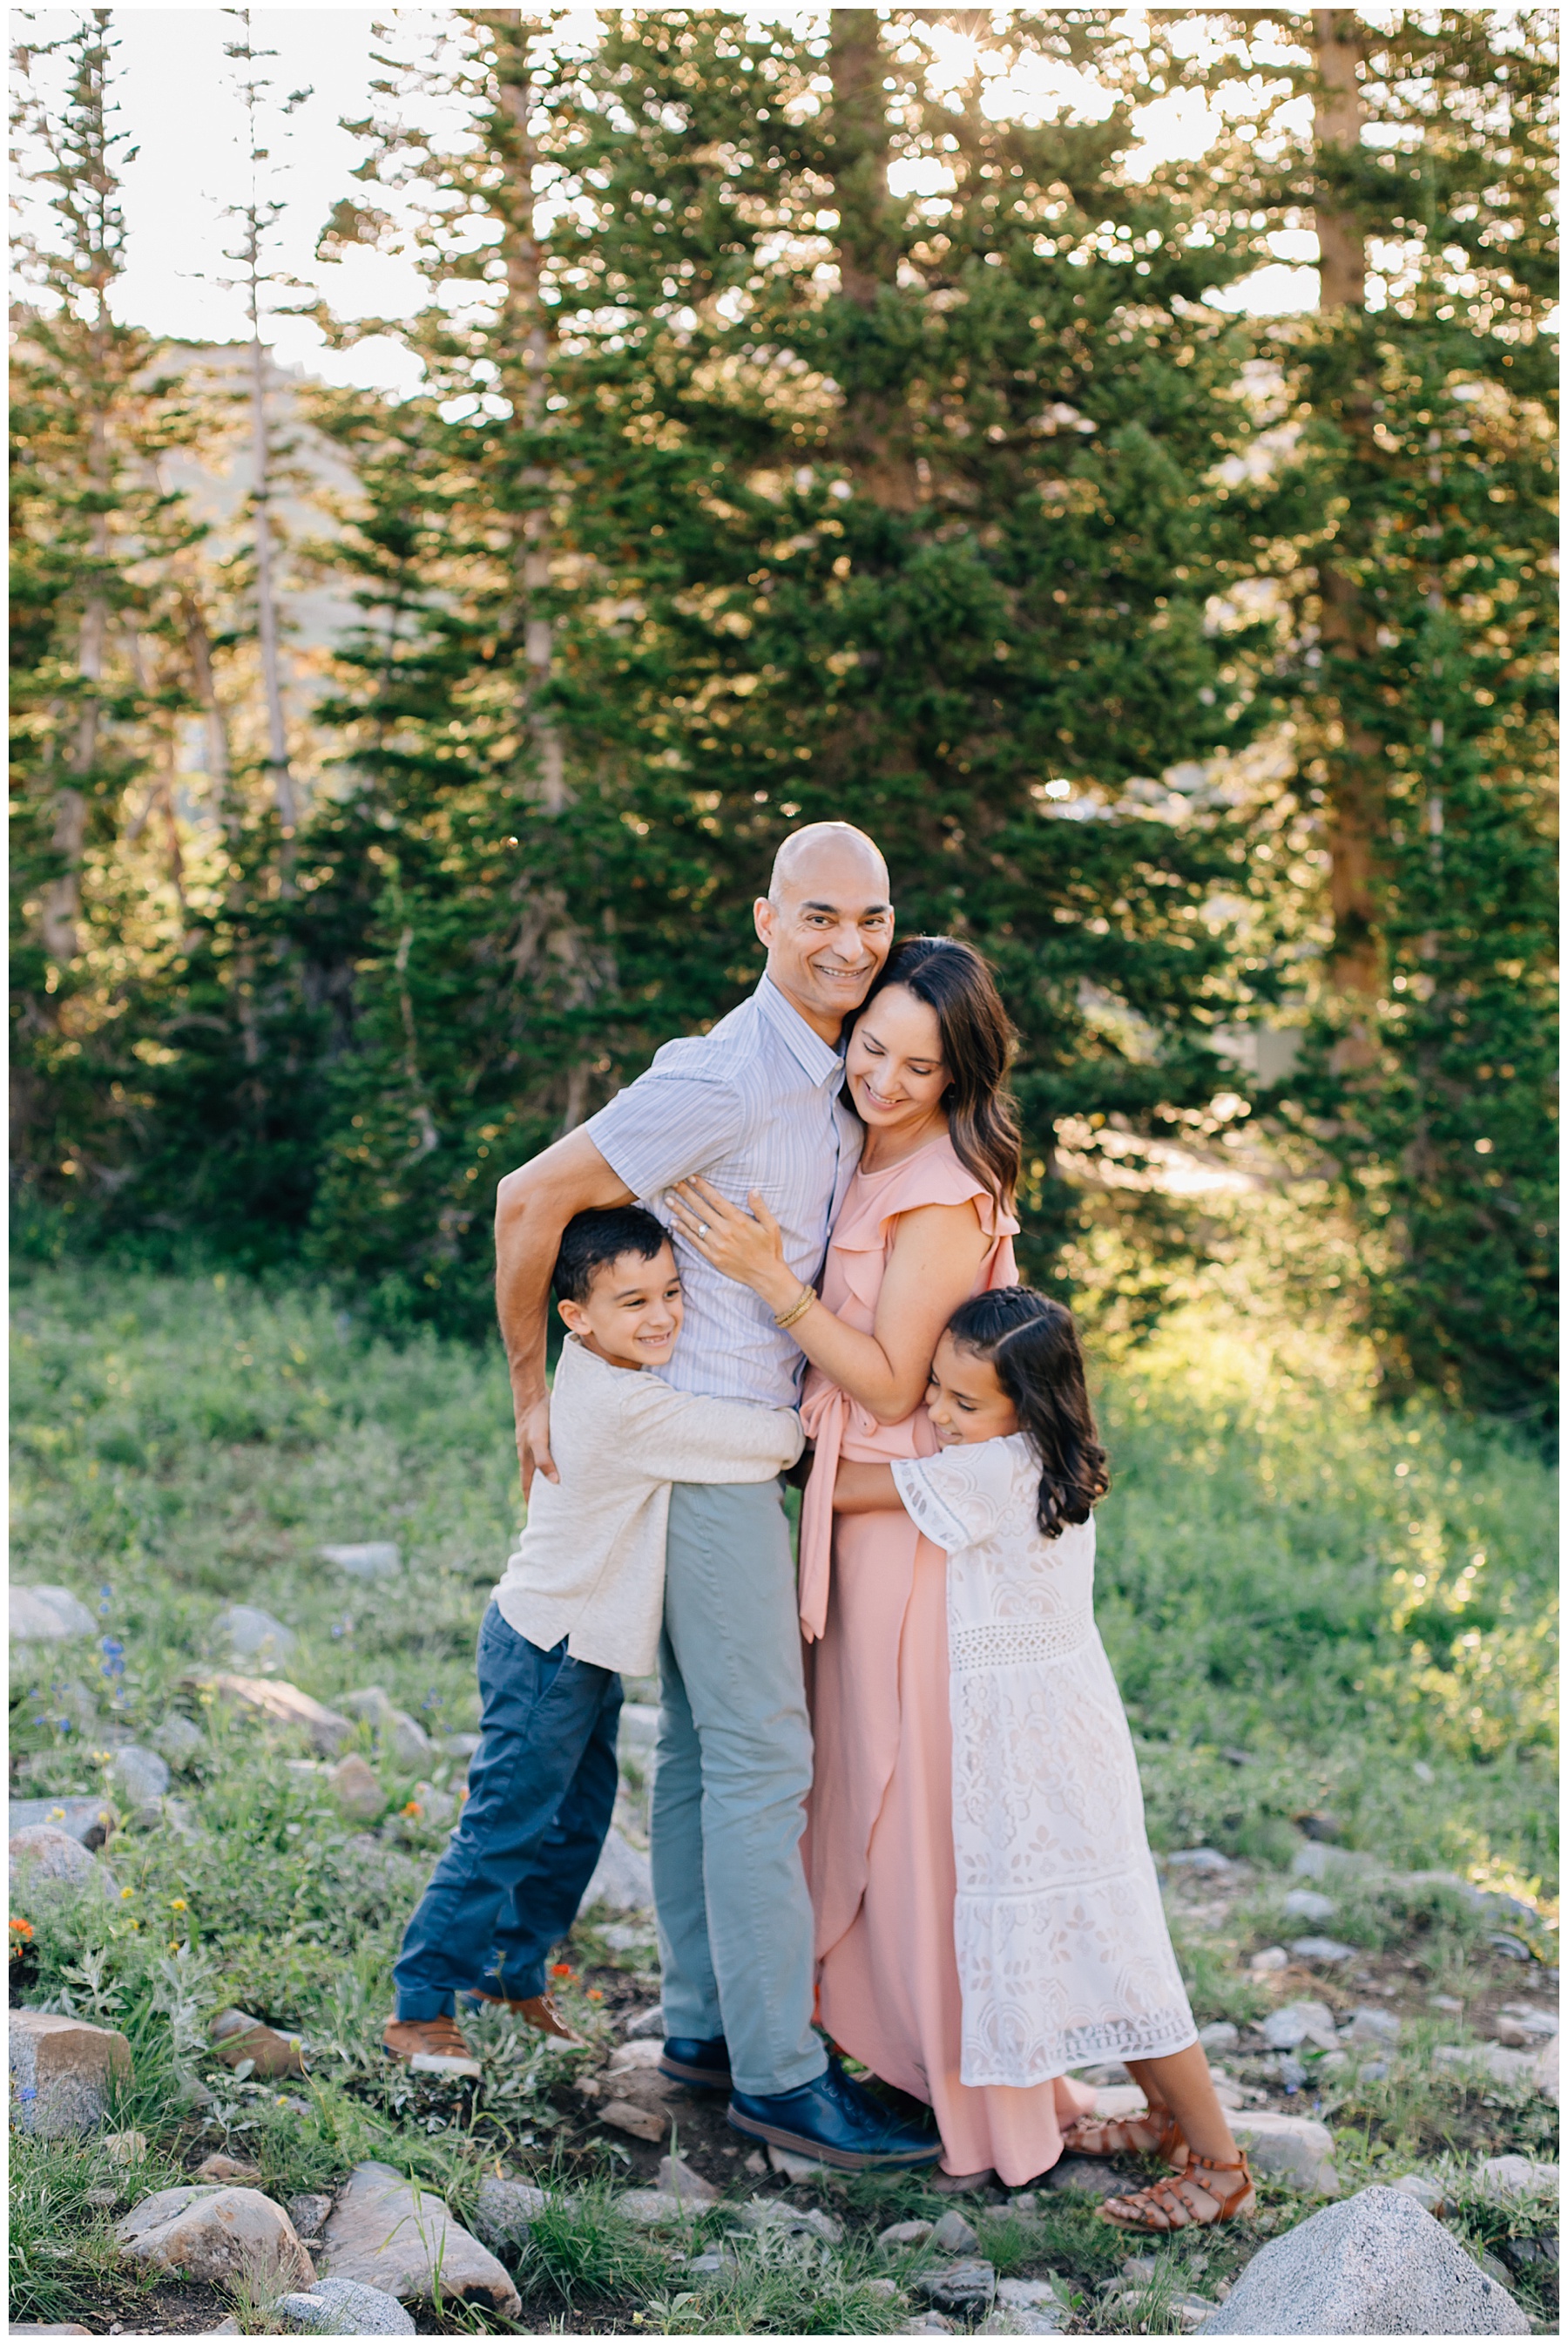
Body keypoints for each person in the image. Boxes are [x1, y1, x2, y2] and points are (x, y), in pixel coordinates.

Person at [490, 823, 940, 2171]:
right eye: (819, 917)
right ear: (764, 920)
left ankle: (703, 2029)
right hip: (707, 1465)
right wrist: (528, 1384)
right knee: (762, 1758)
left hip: (732, 1458)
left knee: (702, 1748)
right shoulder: (727, 1075)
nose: (849, 945)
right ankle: (784, 2078)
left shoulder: (829, 1077)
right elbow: (530, 1198)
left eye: (870, 918)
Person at [669, 933, 1092, 2184]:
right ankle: (855, 2036)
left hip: (899, 1526)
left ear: (963, 1072)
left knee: (906, 1801)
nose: (888, 1080)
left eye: (922, 1064)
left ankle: (944, 2078)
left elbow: (898, 1379)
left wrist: (768, 1285)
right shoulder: (865, 1148)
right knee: (851, 1787)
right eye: (874, 1049)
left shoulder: (946, 1191)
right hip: (843, 1510)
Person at [833, 1287, 1257, 2232]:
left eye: (962, 1401)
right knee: (1104, 1933)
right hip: (1054, 1727)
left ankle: (1224, 2161)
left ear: (1030, 1404)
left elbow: (848, 1488)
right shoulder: (1032, 1454)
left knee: (1125, 1949)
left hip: (1039, 1747)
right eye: (934, 1387)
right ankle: (1164, 2121)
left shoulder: (991, 1471)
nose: (936, 1412)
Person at [383, 1206, 803, 2064]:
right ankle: (419, 2002)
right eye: (632, 1300)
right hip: (547, 1646)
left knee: (575, 1825)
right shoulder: (624, 1406)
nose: (661, 1317)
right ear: (576, 1317)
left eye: (672, 1292)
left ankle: (509, 1969)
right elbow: (773, 1438)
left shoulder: (605, 1373)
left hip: (583, 1652)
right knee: (502, 1823)